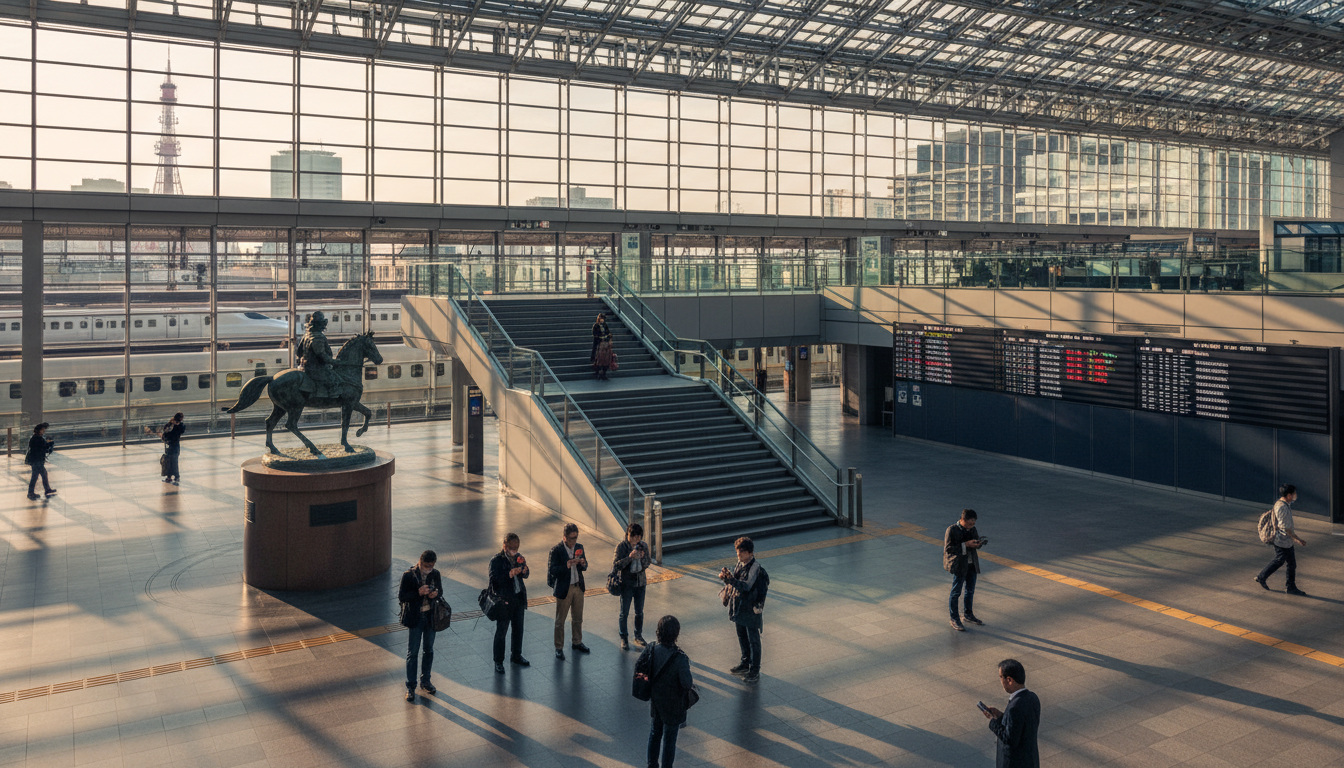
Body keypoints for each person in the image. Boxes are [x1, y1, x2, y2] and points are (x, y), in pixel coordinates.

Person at [645, 615, 694, 768]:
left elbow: (643, 671)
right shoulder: (680, 658)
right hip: (673, 705)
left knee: (655, 733)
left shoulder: (651, 649)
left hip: (657, 701)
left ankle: (652, 764)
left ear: (658, 631)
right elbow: (687, 683)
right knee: (669, 740)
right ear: (676, 634)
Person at [718, 536, 767, 683]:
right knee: (741, 635)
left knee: (754, 640)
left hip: (751, 609)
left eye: (740, 553)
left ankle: (755, 669)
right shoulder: (740, 563)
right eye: (737, 553)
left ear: (749, 553)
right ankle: (745, 662)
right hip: (739, 607)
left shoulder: (755, 568)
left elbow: (746, 586)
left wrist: (729, 580)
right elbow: (737, 581)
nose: (738, 556)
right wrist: (729, 576)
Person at [398, 550, 444, 701]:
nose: (428, 568)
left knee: (429, 649)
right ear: (420, 562)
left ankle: (426, 681)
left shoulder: (435, 574)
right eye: (426, 565)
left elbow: (440, 590)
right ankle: (411, 686)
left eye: (431, 566)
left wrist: (435, 593)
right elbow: (402, 596)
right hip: (416, 618)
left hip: (431, 617)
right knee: (413, 652)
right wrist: (418, 592)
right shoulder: (409, 575)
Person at [982, 659, 1040, 768]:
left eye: (1000, 677)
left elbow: (1010, 739)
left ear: (1009, 680)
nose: (1000, 681)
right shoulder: (1033, 697)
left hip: (1014, 763)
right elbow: (1020, 725)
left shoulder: (1015, 707)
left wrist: (993, 722)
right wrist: (1001, 716)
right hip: (1030, 760)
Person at [488, 532, 530, 674]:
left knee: (518, 629)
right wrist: (508, 575)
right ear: (505, 546)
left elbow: (527, 573)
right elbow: (494, 581)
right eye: (512, 548)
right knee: (502, 631)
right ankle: (498, 661)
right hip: (504, 602)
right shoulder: (496, 560)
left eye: (517, 548)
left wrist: (524, 571)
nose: (514, 551)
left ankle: (516, 655)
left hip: (518, 599)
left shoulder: (519, 557)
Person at [1256, 484, 1308, 596]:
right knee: (1282, 561)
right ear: (1289, 495)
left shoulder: (1282, 503)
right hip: (1282, 540)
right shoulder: (1282, 507)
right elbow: (1285, 528)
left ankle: (1289, 585)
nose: (1295, 496)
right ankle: (1264, 577)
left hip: (1285, 540)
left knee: (1289, 563)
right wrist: (1297, 539)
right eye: (1294, 494)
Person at [547, 523, 590, 660]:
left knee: (578, 618)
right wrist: (566, 565)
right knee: (561, 620)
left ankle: (577, 641)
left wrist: (583, 564)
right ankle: (558, 647)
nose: (574, 541)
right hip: (565, 588)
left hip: (578, 586)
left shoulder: (579, 547)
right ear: (564, 537)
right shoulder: (556, 550)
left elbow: (585, 565)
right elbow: (552, 570)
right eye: (571, 538)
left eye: (576, 538)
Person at [944, 508, 986, 631]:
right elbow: (949, 548)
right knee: (956, 592)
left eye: (973, 523)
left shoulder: (972, 529)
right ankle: (954, 618)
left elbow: (974, 543)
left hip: (971, 564)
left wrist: (978, 544)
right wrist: (966, 545)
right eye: (970, 523)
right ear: (963, 520)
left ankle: (968, 614)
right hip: (959, 565)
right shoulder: (952, 530)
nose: (972, 526)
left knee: (970, 590)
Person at [613, 522, 651, 651]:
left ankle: (638, 635)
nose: (635, 539)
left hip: (640, 583)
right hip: (627, 584)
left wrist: (642, 559)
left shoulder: (643, 545)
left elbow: (648, 562)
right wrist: (629, 558)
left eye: (638, 536)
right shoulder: (621, 547)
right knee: (624, 612)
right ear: (627, 535)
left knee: (639, 611)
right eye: (633, 536)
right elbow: (616, 565)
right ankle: (624, 637)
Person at [295, 310, 340, 399]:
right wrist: (335, 361)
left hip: (303, 366)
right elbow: (322, 356)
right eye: (323, 324)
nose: (324, 326)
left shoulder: (307, 335)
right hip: (316, 369)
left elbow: (298, 352)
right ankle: (332, 397)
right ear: (319, 325)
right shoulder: (317, 337)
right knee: (334, 378)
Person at [25, 423, 56, 501]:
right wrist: (50, 444)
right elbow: (43, 447)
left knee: (43, 474)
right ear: (39, 430)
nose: (43, 431)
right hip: (37, 461)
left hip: (36, 460)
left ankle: (46, 489)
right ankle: (31, 493)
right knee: (35, 476)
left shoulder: (36, 438)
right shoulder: (37, 438)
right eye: (42, 430)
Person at [159, 412, 185, 485]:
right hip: (175, 445)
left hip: (169, 445)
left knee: (169, 461)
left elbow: (166, 433)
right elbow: (181, 431)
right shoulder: (179, 425)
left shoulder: (171, 425)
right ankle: (176, 476)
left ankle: (169, 476)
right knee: (174, 461)